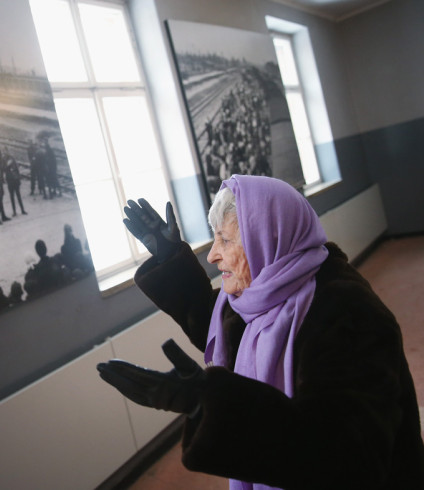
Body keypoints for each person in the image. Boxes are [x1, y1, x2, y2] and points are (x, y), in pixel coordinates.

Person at [97, 175, 424, 490]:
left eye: (225, 239)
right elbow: (223, 326)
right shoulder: (259, 295)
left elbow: (348, 453)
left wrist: (208, 402)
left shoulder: (347, 312)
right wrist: (171, 260)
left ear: (267, 238)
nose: (212, 254)